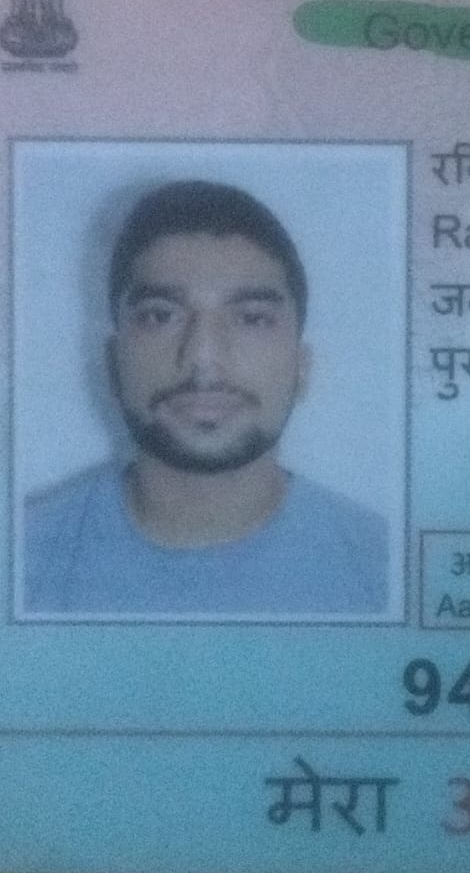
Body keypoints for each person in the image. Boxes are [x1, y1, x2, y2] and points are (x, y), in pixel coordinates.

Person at [24, 180, 390, 616]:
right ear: (112, 362)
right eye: (161, 316)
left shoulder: (385, 570)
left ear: (302, 366)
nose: (203, 357)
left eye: (252, 319)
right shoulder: (16, 561)